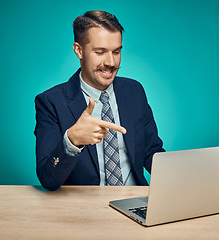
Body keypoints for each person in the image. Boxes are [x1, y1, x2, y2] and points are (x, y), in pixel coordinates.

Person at [34, 10, 165, 191]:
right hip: (85, 210)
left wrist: (179, 178)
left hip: (135, 201)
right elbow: (47, 179)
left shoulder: (134, 91)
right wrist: (72, 141)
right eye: (100, 52)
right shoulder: (51, 103)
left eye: (116, 52)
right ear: (79, 50)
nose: (111, 62)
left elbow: (151, 152)